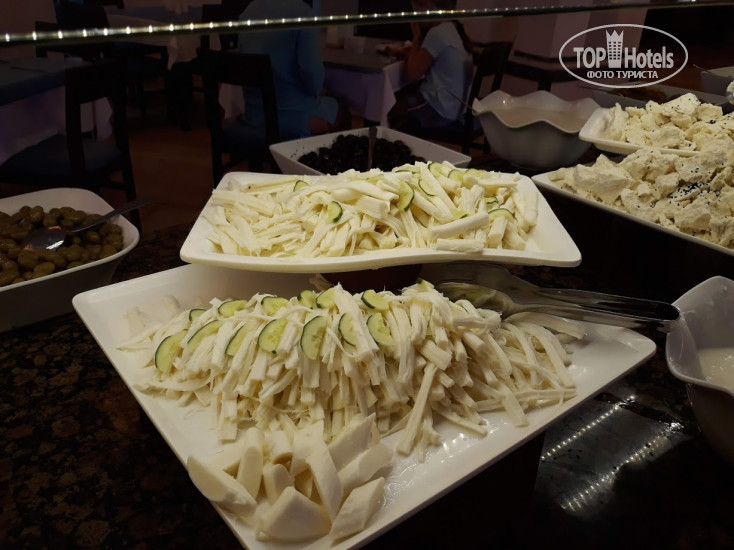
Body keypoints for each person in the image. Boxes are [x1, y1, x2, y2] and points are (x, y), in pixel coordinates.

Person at [237, 0, 351, 140]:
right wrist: (319, 89)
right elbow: (313, 79)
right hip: (292, 117)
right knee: (342, 111)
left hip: (253, 113)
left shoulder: (248, 12)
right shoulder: (302, 13)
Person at [389, 0, 473, 131]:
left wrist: (416, 37)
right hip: (457, 108)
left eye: (416, 11)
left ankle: (379, 138)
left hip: (440, 110)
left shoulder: (437, 33)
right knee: (401, 95)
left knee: (387, 103)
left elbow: (413, 74)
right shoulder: (452, 28)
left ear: (427, 7)